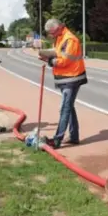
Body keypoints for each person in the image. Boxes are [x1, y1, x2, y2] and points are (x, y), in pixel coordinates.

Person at [39, 18, 88, 148]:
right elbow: (58, 52)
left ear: (60, 27)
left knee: (65, 109)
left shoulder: (70, 39)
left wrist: (49, 60)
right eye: (50, 33)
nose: (52, 35)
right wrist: (48, 54)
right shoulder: (61, 38)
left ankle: (57, 139)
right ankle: (74, 136)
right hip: (65, 78)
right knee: (69, 108)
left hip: (72, 78)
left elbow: (64, 60)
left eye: (53, 33)